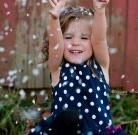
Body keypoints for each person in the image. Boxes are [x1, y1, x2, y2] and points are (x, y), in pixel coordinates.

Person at [29, 0, 125, 134]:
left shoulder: (100, 66)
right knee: (70, 116)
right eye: (68, 37)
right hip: (64, 131)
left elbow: (100, 40)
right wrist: (54, 18)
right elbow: (54, 44)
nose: (75, 43)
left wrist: (99, 10)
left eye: (84, 38)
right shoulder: (58, 69)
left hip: (97, 131)